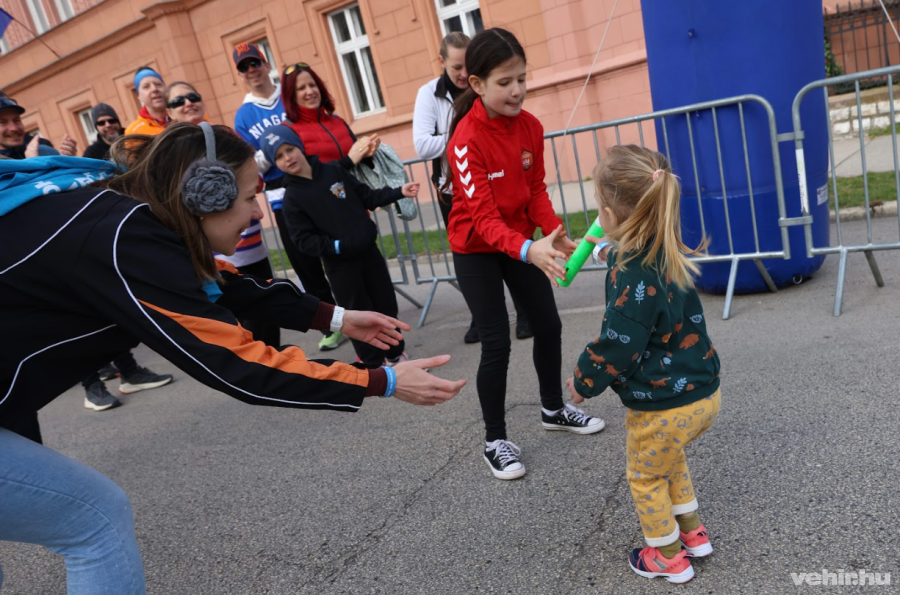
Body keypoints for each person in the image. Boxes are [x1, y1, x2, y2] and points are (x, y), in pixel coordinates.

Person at [0, 121, 466, 593]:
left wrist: (336, 317)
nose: (258, 213)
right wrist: (381, 380)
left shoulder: (122, 219)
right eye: (249, 197)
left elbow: (216, 282)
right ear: (204, 194)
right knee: (96, 520)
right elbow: (238, 365)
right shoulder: (121, 237)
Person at [445, 28, 605, 481]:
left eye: (522, 78)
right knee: (496, 342)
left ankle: (553, 409)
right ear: (477, 84)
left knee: (548, 325)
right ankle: (495, 441)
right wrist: (529, 248)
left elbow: (535, 191)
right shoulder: (465, 141)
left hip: (523, 243)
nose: (517, 90)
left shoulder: (531, 126)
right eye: (505, 82)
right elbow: (482, 218)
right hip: (476, 249)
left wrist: (553, 234)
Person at [567, 145, 722, 584]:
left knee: (645, 478)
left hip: (662, 406)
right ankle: (693, 533)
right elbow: (623, 259)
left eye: (600, 206)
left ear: (611, 213)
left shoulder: (631, 272)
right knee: (670, 462)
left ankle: (667, 557)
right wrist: (600, 251)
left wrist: (583, 381)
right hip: (701, 395)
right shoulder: (662, 250)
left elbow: (617, 344)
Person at [264, 124, 418, 367]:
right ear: (275, 164)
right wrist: (337, 246)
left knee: (386, 306)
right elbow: (304, 241)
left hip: (369, 254)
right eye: (279, 156)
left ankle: (396, 356)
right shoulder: (292, 199)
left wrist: (399, 191)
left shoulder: (334, 171)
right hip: (341, 268)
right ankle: (374, 366)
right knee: (358, 315)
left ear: (300, 147)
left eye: (289, 149)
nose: (288, 158)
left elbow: (367, 196)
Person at [412, 32, 532, 345]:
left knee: (511, 249)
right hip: (454, 190)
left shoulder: (495, 95)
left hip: (496, 183)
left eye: (468, 65)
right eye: (457, 67)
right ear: (442, 62)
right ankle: (482, 317)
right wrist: (463, 141)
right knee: (476, 255)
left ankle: (524, 311)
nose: (464, 73)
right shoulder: (430, 95)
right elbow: (422, 144)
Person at [232, 45, 346, 352]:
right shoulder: (244, 116)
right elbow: (250, 164)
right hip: (282, 196)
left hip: (314, 184)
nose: (251, 70)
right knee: (305, 261)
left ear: (265, 63)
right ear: (240, 74)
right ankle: (331, 323)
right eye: (244, 67)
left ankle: (357, 307)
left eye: (255, 62)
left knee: (338, 251)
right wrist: (277, 151)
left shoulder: (288, 96)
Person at [0, 94, 77, 158]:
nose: (14, 128)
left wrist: (67, 161)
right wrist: (33, 164)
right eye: (3, 122)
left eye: (16, 120)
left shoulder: (44, 152)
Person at [125, 66, 168, 135]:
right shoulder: (134, 132)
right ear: (138, 96)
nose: (154, 89)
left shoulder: (181, 116)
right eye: (146, 86)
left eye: (158, 84)